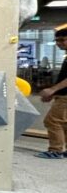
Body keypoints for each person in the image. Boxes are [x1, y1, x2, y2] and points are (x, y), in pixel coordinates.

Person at [37, 26, 67, 158]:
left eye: (62, 40)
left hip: (66, 97)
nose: (59, 43)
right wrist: (54, 93)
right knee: (64, 123)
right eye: (57, 40)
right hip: (62, 95)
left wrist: (52, 89)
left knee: (52, 121)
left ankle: (56, 150)